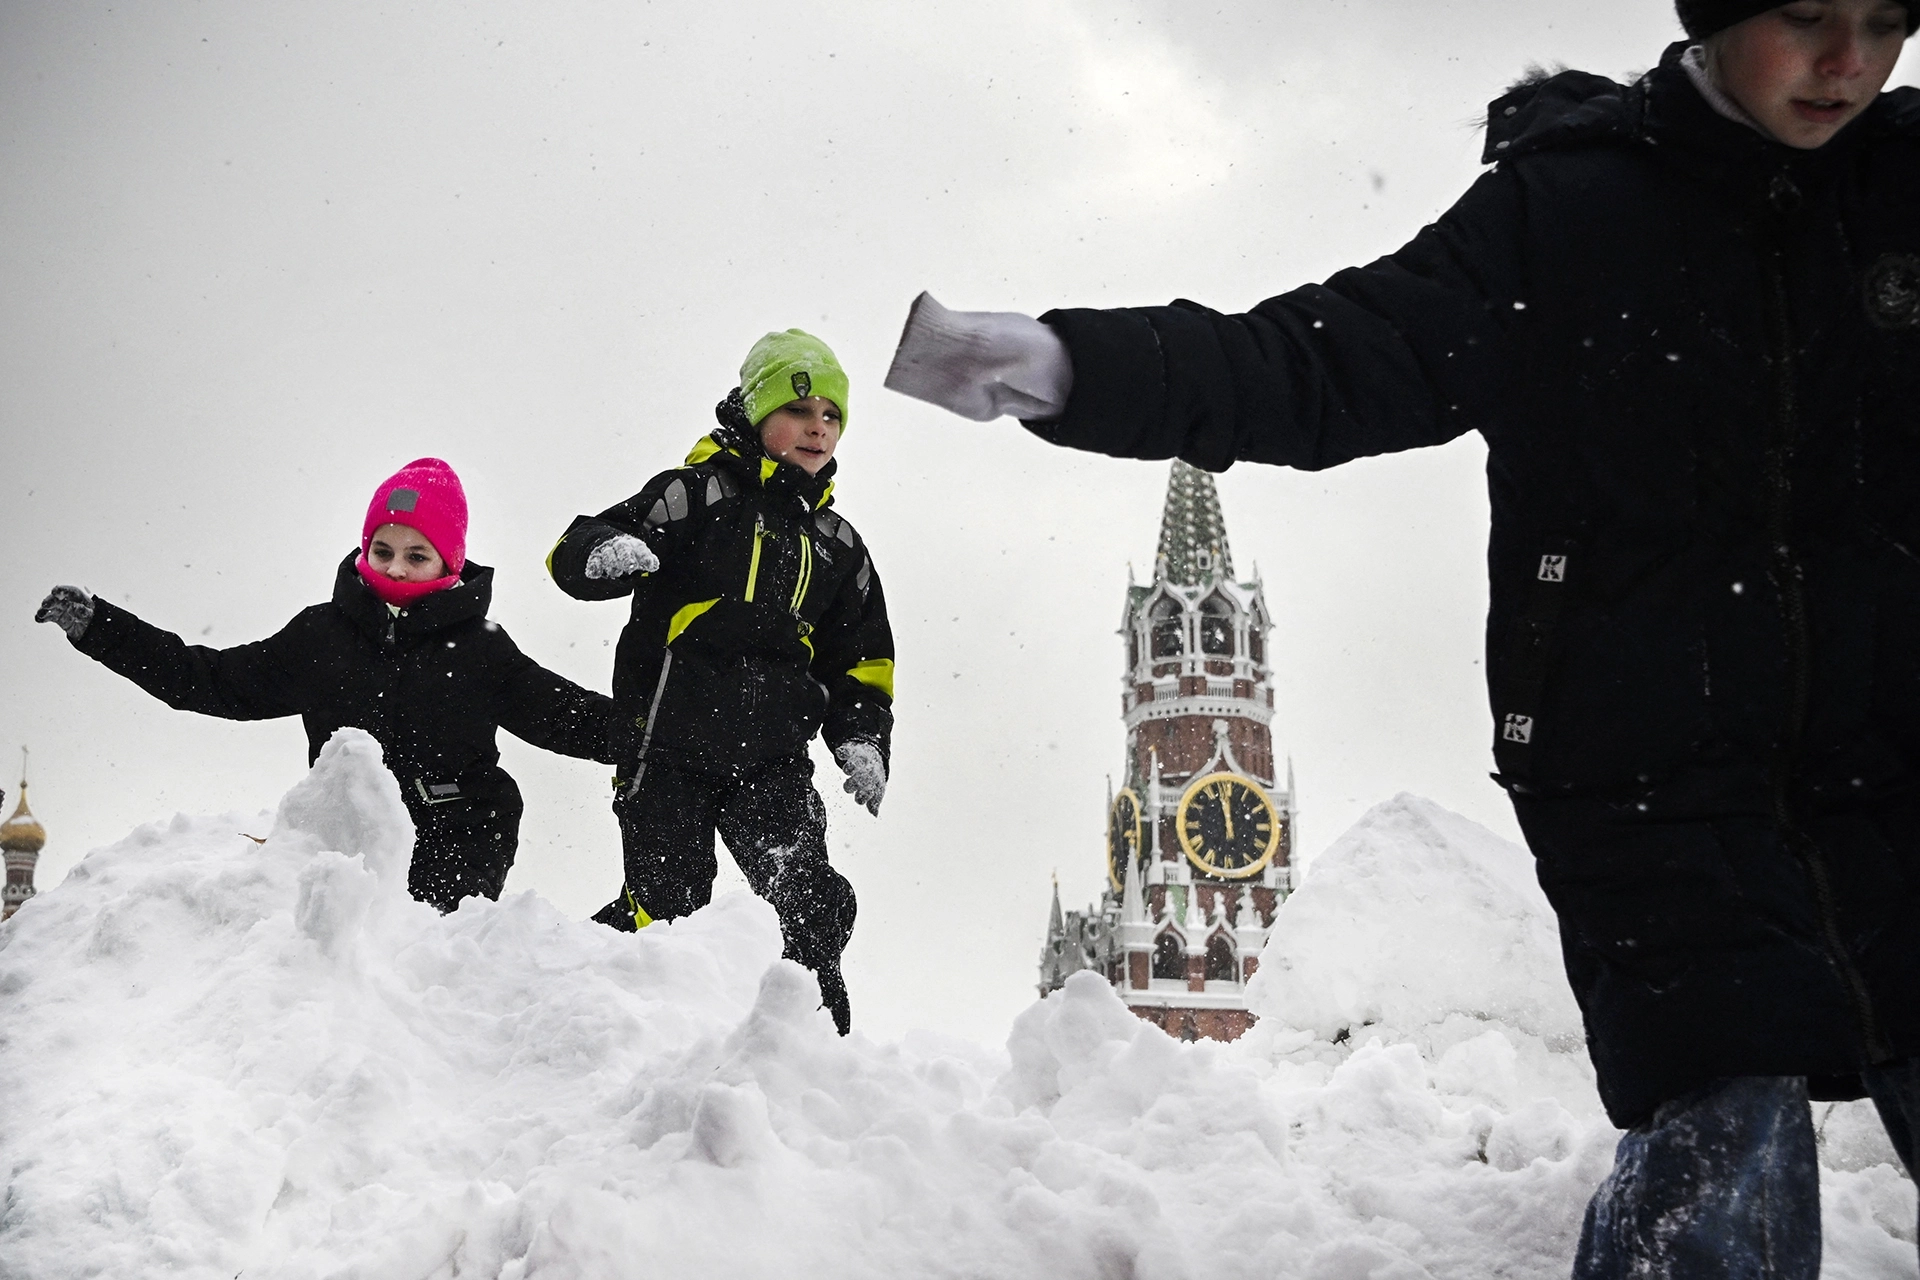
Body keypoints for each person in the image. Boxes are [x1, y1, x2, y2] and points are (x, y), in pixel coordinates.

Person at [886, 1, 1920, 1273]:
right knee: (1721, 1144)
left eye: (1886, 22)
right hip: (1664, 776)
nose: (1847, 63)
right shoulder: (1574, 213)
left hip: (1896, 754)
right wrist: (1068, 365)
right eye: (1807, 17)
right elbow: (1326, 361)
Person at [35, 457, 616, 913]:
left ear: (450, 565)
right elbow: (208, 680)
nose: (395, 567)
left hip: (461, 831)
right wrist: (102, 629)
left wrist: (665, 729)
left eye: (417, 555)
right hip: (348, 838)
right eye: (382, 550)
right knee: (342, 975)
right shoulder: (321, 637)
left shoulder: (480, 648)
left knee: (428, 970)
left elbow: (567, 716)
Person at [548, 330, 894, 1035]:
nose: (817, 428)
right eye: (801, 410)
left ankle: (816, 1046)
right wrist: (606, 554)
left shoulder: (838, 545)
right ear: (757, 411)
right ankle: (583, 1002)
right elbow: (575, 546)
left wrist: (861, 738)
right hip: (668, 744)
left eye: (832, 416)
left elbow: (861, 659)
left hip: (772, 760)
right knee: (667, 907)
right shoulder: (695, 495)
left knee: (809, 900)